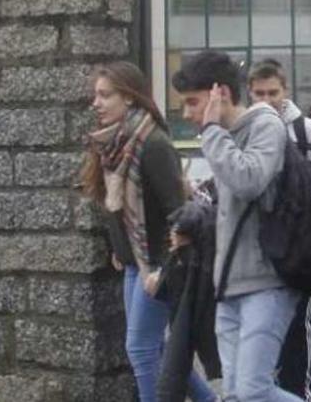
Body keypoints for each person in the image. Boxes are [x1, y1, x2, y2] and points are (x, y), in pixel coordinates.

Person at [81, 62, 216, 402]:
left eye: (104, 95)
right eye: (95, 95)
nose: (96, 103)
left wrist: (162, 266)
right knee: (154, 349)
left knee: (141, 350)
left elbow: (177, 212)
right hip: (132, 263)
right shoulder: (112, 142)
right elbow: (118, 207)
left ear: (129, 97)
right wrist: (119, 247)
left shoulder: (152, 143)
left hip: (156, 262)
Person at [171, 50, 301, 402]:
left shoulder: (264, 125)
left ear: (220, 95)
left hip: (267, 282)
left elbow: (249, 180)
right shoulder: (224, 136)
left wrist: (212, 131)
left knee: (253, 391)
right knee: (233, 394)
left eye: (193, 102)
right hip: (229, 285)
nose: (187, 113)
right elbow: (230, 209)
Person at [244, 60, 311, 395]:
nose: (267, 99)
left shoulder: (307, 131)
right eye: (260, 93)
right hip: (257, 249)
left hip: (298, 247)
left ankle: (298, 391)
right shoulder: (243, 130)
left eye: (273, 92)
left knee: (295, 329)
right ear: (249, 93)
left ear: (285, 91)